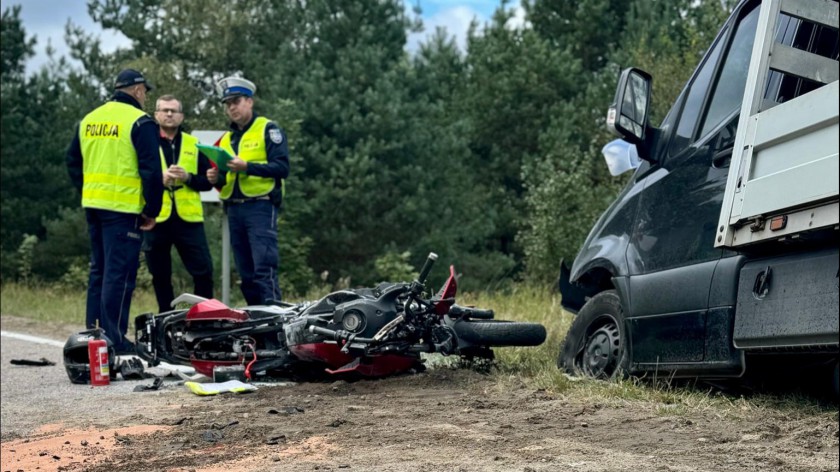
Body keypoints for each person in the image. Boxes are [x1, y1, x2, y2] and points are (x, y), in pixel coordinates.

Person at [66, 68, 163, 354]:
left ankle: (93, 338)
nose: (145, 96)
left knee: (99, 271)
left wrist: (87, 190)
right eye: (145, 91)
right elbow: (151, 171)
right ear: (136, 90)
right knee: (119, 275)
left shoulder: (90, 119)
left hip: (94, 206)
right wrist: (151, 209)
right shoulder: (139, 121)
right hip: (123, 210)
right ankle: (115, 341)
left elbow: (72, 161)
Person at [214, 77, 290, 305]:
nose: (232, 108)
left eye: (236, 101)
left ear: (249, 101)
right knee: (245, 274)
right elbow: (223, 174)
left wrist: (248, 167)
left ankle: (276, 321)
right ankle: (256, 322)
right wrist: (214, 176)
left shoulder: (268, 129)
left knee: (263, 269)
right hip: (234, 209)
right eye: (228, 104)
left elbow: (282, 167)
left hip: (260, 206)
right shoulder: (226, 139)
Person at [143, 94, 219, 313]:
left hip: (188, 218)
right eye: (164, 110)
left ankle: (204, 318)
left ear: (181, 116)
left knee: (204, 271)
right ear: (156, 114)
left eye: (173, 111)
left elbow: (208, 182)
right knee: (160, 274)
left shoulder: (194, 143)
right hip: (156, 216)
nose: (168, 114)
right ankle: (165, 320)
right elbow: (136, 177)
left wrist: (188, 177)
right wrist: (160, 179)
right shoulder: (146, 142)